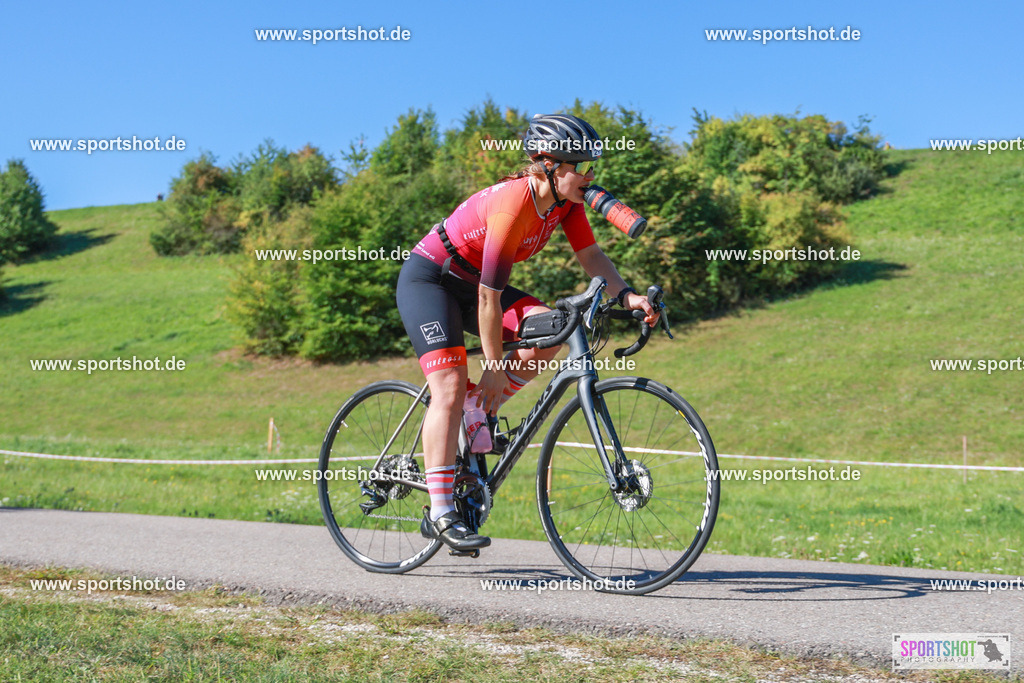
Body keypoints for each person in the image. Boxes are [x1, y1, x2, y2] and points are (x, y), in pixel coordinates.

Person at [396, 113, 659, 551]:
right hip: (432, 281)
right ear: (549, 163)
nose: (590, 175)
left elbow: (592, 255)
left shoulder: (566, 203)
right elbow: (487, 300)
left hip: (476, 285)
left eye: (593, 165)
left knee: (552, 330)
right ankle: (441, 511)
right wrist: (495, 366)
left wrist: (628, 297)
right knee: (450, 384)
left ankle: (477, 410)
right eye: (582, 165)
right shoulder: (512, 205)